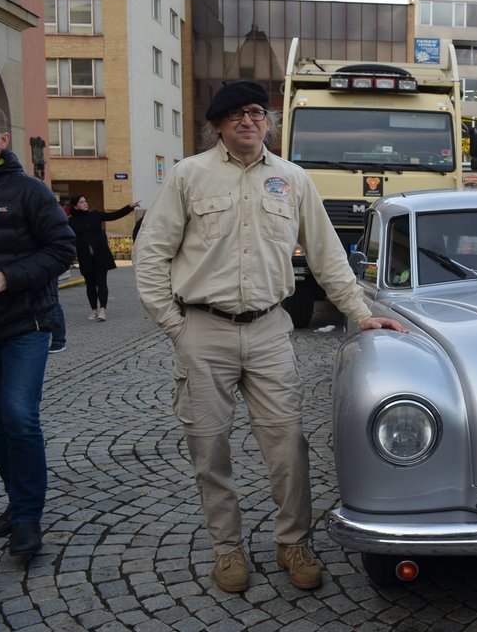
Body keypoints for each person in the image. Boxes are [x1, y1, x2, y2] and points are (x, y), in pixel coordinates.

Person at [133, 80, 406, 593]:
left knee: (288, 445)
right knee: (208, 448)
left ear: (267, 121)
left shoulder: (293, 179)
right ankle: (227, 549)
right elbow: (151, 256)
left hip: (269, 332)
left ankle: (293, 542)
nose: (248, 121)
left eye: (256, 112)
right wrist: (177, 327)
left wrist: (360, 312)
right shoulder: (188, 176)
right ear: (216, 124)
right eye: (235, 114)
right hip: (203, 330)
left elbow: (327, 256)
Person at [0, 106, 76, 557]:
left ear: (3, 141)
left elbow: (62, 247)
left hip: (25, 323)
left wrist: (8, 277)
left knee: (19, 415)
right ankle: (15, 504)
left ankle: (28, 519)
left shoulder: (27, 191)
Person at [69, 194, 139, 321]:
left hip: (100, 256)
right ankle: (94, 310)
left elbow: (113, 216)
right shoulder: (71, 222)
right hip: (85, 258)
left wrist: (129, 207)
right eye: (81, 202)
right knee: (90, 285)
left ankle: (103, 309)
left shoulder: (95, 215)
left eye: (85, 201)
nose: (85, 204)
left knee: (101, 283)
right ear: (75, 206)